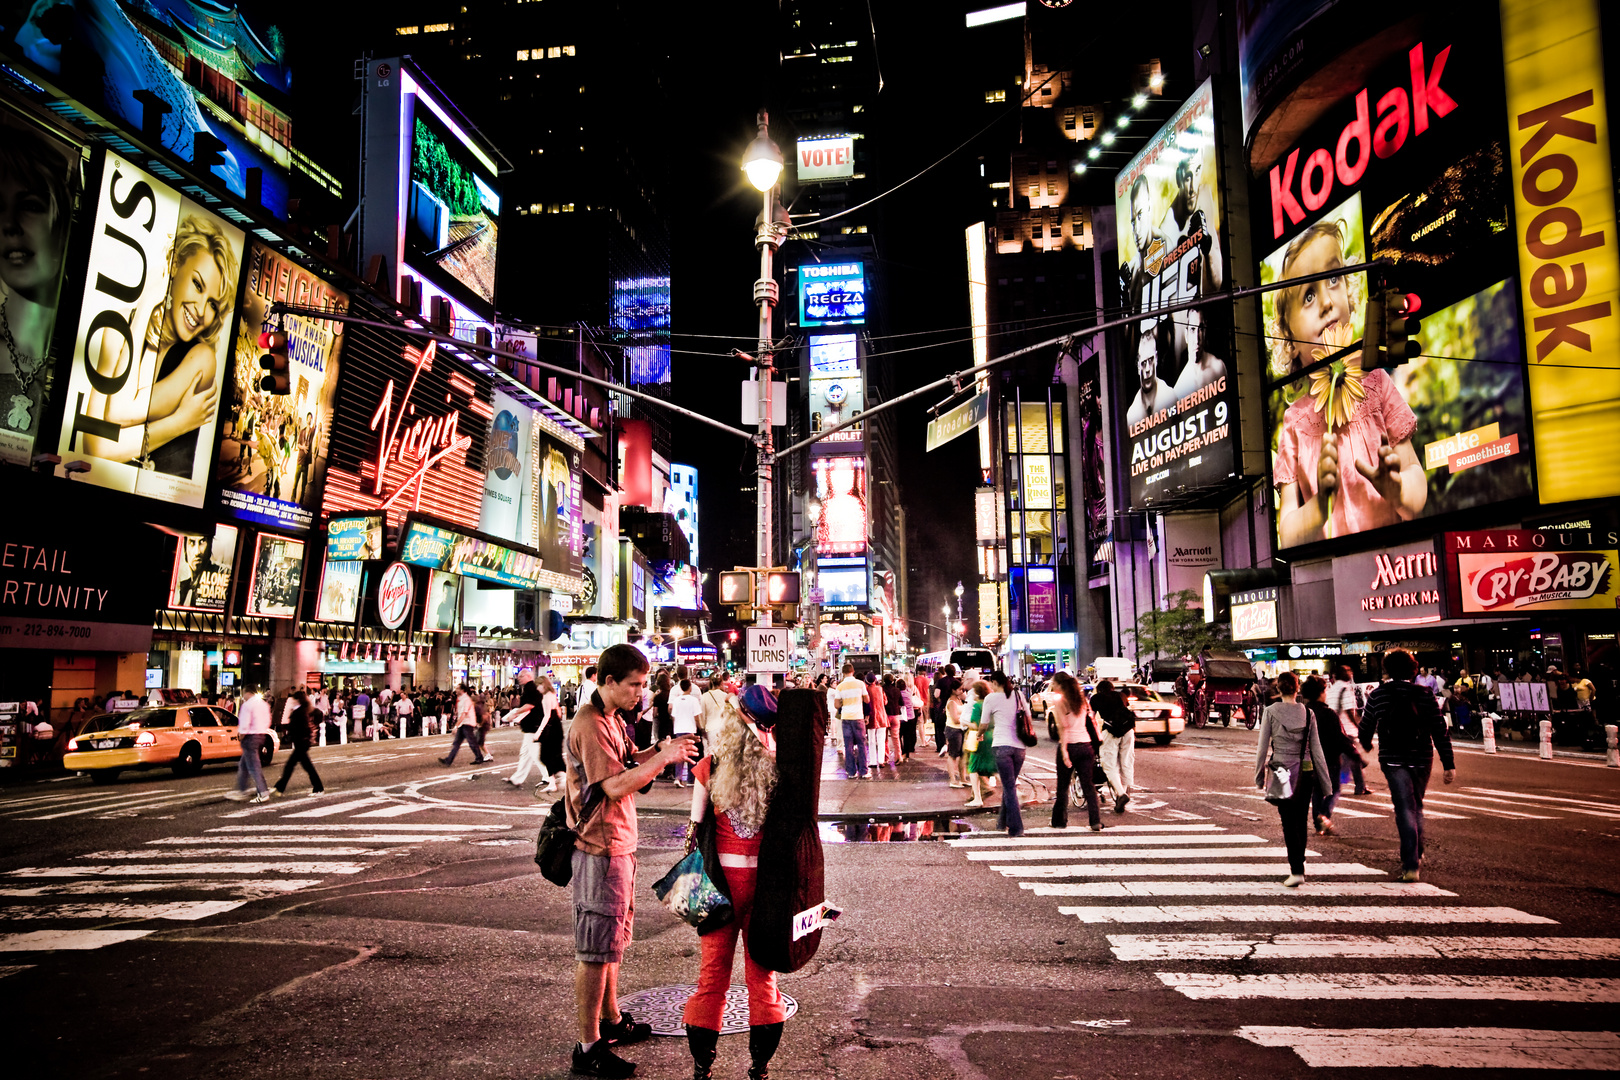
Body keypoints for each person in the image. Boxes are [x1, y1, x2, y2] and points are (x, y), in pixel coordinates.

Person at [563, 643, 698, 1078]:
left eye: (643, 684)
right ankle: (588, 1047)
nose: (640, 692)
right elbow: (615, 786)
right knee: (595, 950)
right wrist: (663, 758)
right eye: (634, 685)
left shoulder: (612, 718)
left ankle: (612, 1020)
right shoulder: (590, 724)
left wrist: (660, 748)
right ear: (608, 682)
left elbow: (626, 763)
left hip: (618, 844)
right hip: (599, 848)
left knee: (612, 943)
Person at [1271, 218, 1426, 547]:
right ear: (1290, 341)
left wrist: (1398, 489)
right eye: (1308, 296)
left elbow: (1417, 486)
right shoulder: (1294, 424)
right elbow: (1287, 534)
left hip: (1399, 564)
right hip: (1335, 575)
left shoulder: (1377, 385)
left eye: (1334, 279)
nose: (1327, 302)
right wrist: (1320, 505)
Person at [681, 685, 789, 1080]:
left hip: (717, 886)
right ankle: (759, 1066)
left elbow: (694, 830)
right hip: (763, 888)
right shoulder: (779, 766)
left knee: (712, 976)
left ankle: (702, 1065)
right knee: (762, 977)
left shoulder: (711, 765)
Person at [79, 214, 238, 475]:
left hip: (164, 507)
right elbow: (94, 446)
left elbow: (119, 410)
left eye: (212, 304)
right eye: (197, 285)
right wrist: (180, 421)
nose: (200, 310)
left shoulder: (201, 359)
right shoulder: (119, 326)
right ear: (175, 265)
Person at [1359, 648, 1456, 883]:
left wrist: (1367, 744)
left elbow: (1366, 726)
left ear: (1387, 669)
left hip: (1393, 759)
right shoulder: (1425, 694)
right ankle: (1417, 852)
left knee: (1404, 807)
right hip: (1422, 757)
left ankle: (1411, 864)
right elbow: (1439, 729)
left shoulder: (1379, 694)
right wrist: (1448, 763)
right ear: (1413, 668)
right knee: (1417, 805)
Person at [1254, 671, 1331, 887]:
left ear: (1278, 689)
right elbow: (1317, 750)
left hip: (1281, 772)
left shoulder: (1270, 712)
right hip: (1306, 771)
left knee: (1288, 821)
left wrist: (1259, 776)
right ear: (1297, 689)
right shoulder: (1308, 713)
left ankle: (1296, 869)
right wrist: (1325, 783)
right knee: (1301, 818)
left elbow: (1262, 748)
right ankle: (1300, 862)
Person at [1303, 674, 1355, 837]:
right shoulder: (1328, 713)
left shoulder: (1303, 712)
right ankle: (1323, 816)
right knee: (1333, 790)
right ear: (1321, 692)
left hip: (1310, 760)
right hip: (1330, 759)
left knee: (1317, 791)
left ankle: (1318, 823)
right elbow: (1339, 738)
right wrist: (1355, 754)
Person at [1049, 672, 1103, 832]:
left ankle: (1059, 821)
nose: (1052, 686)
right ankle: (1095, 821)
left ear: (1060, 685)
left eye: (1054, 683)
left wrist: (1064, 751)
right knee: (1088, 785)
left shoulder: (1060, 701)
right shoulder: (1082, 700)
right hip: (1086, 745)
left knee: (1063, 786)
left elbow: (1063, 727)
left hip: (1070, 745)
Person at [981, 672, 1026, 836]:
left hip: (1002, 746)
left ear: (994, 682)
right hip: (1020, 747)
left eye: (991, 683)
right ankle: (1001, 822)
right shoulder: (1018, 694)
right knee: (1009, 785)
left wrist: (979, 734)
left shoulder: (991, 698)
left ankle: (1016, 827)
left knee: (1009, 787)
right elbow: (1027, 716)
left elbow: (984, 722)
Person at [1092, 679, 1136, 813]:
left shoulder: (1096, 698)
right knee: (1126, 761)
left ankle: (1121, 794)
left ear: (1099, 690)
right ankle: (1124, 793)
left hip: (1111, 731)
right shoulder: (1120, 696)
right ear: (1112, 688)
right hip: (1128, 730)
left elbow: (1092, 719)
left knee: (1108, 763)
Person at [1326, 665, 1370, 795]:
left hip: (1335, 729)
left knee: (1350, 758)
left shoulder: (1332, 689)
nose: (1351, 673)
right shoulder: (1345, 688)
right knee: (1353, 758)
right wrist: (1359, 727)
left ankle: (1360, 785)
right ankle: (1357, 785)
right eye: (1347, 671)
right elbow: (1349, 710)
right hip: (1346, 730)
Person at [226, 685, 272, 803]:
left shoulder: (247, 705)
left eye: (243, 694)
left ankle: (263, 792)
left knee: (253, 766)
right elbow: (268, 720)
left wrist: (241, 736)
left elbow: (244, 723)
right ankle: (242, 790)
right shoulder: (264, 704)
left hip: (250, 736)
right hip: (261, 734)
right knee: (244, 765)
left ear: (247, 692)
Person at [273, 689, 324, 796]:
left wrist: (290, 734)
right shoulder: (302, 710)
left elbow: (299, 727)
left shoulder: (299, 712)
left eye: (293, 699)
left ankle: (318, 787)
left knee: (293, 767)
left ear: (297, 700)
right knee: (298, 767)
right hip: (302, 743)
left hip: (301, 743)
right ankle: (279, 787)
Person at [505, 669, 548, 788]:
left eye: (521, 676)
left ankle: (549, 776)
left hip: (533, 725)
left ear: (529, 676)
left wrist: (515, 713)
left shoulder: (531, 688)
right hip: (532, 725)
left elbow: (530, 705)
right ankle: (517, 779)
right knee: (525, 753)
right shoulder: (530, 688)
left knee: (535, 754)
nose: (519, 678)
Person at [440, 684, 488, 765]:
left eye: (458, 689)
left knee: (471, 742)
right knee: (457, 743)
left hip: (467, 723)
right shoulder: (461, 699)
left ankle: (479, 757)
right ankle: (449, 760)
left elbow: (464, 713)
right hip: (463, 723)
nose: (456, 690)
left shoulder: (466, 699)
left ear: (462, 690)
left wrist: (456, 726)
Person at [834, 663, 867, 780]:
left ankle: (851, 772)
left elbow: (836, 704)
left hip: (846, 717)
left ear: (843, 673)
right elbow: (867, 699)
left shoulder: (840, 686)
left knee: (848, 746)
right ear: (853, 671)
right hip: (858, 716)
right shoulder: (860, 684)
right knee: (862, 744)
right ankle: (863, 771)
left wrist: (844, 702)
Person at [671, 678, 702, 786]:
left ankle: (678, 778)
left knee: (679, 753)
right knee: (691, 754)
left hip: (679, 729)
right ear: (690, 687)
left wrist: (675, 727)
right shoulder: (694, 700)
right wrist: (700, 727)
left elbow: (673, 716)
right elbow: (697, 716)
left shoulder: (676, 700)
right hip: (690, 729)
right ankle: (690, 779)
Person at [931, 664, 960, 753]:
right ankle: (952, 746)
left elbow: (936, 694)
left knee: (940, 728)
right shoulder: (957, 681)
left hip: (943, 707)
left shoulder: (941, 681)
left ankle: (941, 746)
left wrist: (940, 700)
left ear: (945, 671)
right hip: (955, 706)